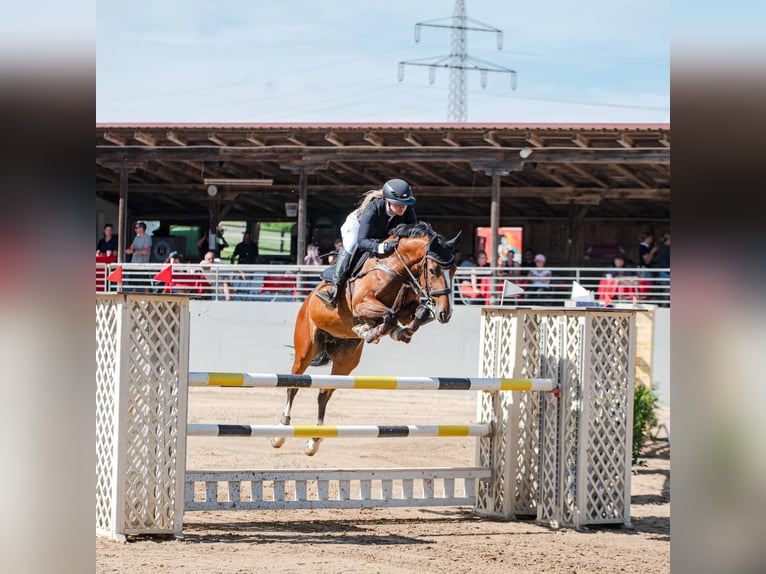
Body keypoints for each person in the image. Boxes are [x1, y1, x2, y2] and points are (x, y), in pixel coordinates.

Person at [316, 178, 417, 308]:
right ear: (387, 201)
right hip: (358, 228)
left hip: (383, 232)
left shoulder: (408, 211)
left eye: (406, 203)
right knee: (352, 245)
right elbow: (363, 241)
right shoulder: (374, 208)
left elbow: (413, 237)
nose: (403, 207)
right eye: (398, 203)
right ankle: (334, 288)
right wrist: (382, 247)